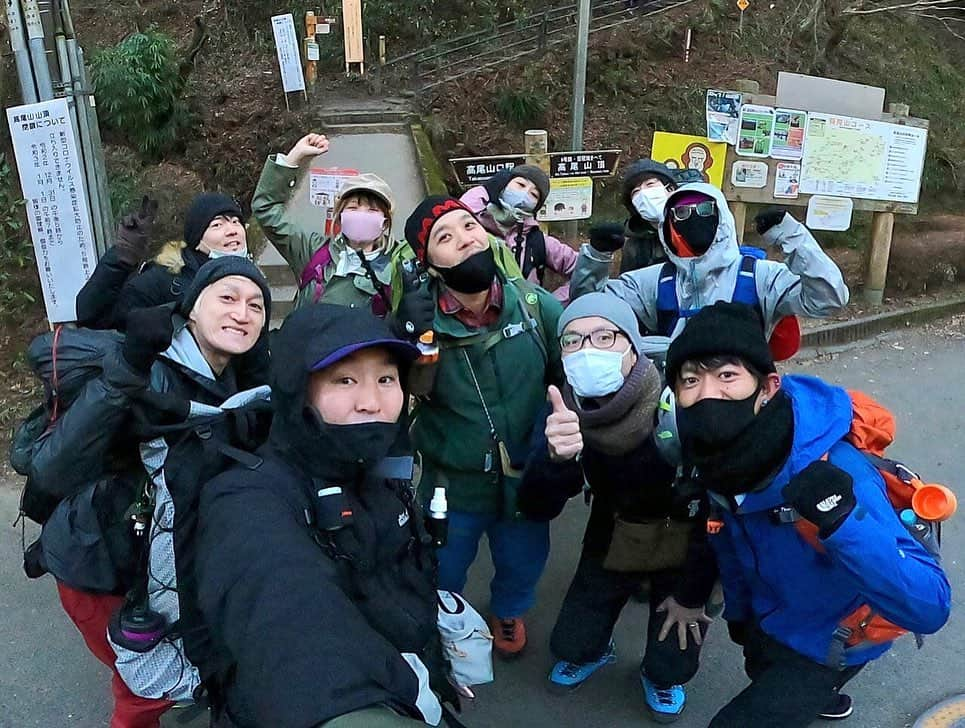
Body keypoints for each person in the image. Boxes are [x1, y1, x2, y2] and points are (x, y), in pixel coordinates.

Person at [664, 301, 951, 727]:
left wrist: (843, 521)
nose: (708, 394)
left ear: (768, 387)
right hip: (768, 621)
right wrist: (740, 617)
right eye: (691, 379)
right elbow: (728, 538)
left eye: (727, 376)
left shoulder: (835, 467)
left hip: (829, 643)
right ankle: (821, 698)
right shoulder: (714, 458)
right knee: (764, 672)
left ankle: (821, 689)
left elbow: (932, 605)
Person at [28, 257, 272, 728]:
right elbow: (51, 466)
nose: (243, 313)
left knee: (162, 672)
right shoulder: (150, 369)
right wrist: (128, 367)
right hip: (99, 564)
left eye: (256, 305)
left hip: (161, 556)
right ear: (192, 310)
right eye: (227, 298)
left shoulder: (239, 381)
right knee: (141, 689)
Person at [196, 304, 450, 727]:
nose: (372, 402)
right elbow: (289, 623)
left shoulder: (377, 467)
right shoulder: (246, 500)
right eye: (344, 380)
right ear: (298, 393)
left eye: (386, 379)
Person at [516, 292, 716, 722]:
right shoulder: (561, 409)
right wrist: (555, 460)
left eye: (605, 336)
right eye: (572, 341)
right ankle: (593, 650)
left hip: (683, 528)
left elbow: (720, 496)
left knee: (676, 637)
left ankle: (663, 676)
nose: (588, 351)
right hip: (613, 524)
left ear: (632, 346)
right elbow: (536, 506)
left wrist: (698, 589)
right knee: (573, 640)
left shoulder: (679, 400)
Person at [396, 195, 563, 658]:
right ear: (429, 264)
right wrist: (415, 340)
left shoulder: (531, 305)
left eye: (468, 226)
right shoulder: (419, 320)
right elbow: (407, 390)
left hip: (524, 475)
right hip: (452, 479)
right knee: (442, 563)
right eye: (444, 237)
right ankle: (446, 617)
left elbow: (573, 354)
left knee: (523, 558)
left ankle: (508, 610)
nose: (464, 238)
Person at [571, 182, 850, 339]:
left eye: (704, 209)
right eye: (681, 213)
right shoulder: (652, 282)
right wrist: (597, 256)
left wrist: (793, 237)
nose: (694, 218)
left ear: (722, 218)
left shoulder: (762, 277)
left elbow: (828, 299)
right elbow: (587, 311)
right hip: (673, 404)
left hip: (745, 407)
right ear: (668, 225)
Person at [253, 132, 408, 315]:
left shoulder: (401, 264)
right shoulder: (313, 251)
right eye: (353, 208)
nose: (361, 215)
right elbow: (266, 210)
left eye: (372, 210)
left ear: (385, 222)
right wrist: (294, 156)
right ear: (340, 215)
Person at [459, 164, 577, 301]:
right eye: (520, 184)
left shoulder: (537, 241)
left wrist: (549, 306)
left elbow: (585, 271)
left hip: (522, 320)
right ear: (504, 184)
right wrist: (485, 191)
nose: (524, 194)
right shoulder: (467, 225)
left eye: (534, 194)